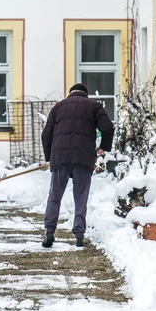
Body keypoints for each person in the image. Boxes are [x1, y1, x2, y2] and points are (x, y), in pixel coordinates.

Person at [40, 83, 114, 248]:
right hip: (84, 157)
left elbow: (46, 135)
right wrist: (104, 147)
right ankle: (79, 235)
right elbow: (108, 128)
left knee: (54, 196)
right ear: (85, 95)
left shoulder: (58, 107)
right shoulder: (94, 106)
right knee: (81, 197)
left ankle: (49, 232)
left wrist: (50, 157)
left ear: (70, 94)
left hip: (61, 158)